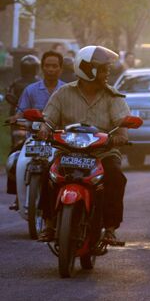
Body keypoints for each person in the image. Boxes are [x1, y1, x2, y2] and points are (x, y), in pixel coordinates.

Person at [37, 45, 131, 244]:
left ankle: (110, 229)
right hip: (67, 151)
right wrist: (44, 128)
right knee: (48, 172)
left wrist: (121, 135)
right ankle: (48, 224)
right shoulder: (63, 93)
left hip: (102, 154)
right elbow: (48, 119)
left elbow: (122, 124)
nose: (108, 73)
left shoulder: (113, 96)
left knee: (115, 177)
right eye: (104, 69)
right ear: (89, 70)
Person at [5, 51, 65, 211]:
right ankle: (19, 196)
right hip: (35, 138)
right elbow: (22, 110)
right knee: (15, 159)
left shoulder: (67, 90)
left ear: (60, 69)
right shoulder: (30, 90)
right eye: (47, 66)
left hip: (60, 140)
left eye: (54, 66)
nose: (51, 69)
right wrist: (15, 117)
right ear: (41, 68)